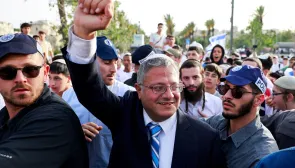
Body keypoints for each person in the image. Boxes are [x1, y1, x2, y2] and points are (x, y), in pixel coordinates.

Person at [63, 1, 226, 167]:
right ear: (139, 90)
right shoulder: (125, 115)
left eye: (174, 87)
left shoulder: (206, 139)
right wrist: (83, 33)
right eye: (158, 87)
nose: (169, 95)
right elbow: (89, 89)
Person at [0, 33, 88, 167]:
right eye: (7, 72)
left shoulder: (56, 118)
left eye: (30, 70)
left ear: (45, 72)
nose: (20, 79)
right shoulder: (5, 115)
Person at [61, 37, 135, 168]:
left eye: (115, 62)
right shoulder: (69, 96)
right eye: (107, 62)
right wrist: (75, 132)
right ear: (89, 62)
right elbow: (59, 136)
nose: (114, 69)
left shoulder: (129, 95)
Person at [206, 65, 279, 168]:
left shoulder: (263, 155)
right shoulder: (216, 123)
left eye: (238, 92)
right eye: (225, 88)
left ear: (258, 100)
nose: (226, 96)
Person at [261, 76, 295, 149]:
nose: (271, 97)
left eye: (275, 93)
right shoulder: (279, 109)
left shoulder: (291, 125)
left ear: (289, 97)